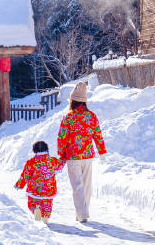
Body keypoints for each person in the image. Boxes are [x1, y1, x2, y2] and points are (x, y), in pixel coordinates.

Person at [57, 82, 107, 223]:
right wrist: (102, 152)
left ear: (73, 101)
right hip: (87, 156)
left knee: (77, 186)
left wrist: (61, 154)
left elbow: (61, 137)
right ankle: (83, 213)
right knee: (86, 185)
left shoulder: (69, 117)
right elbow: (98, 135)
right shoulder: (91, 116)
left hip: (73, 156)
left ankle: (82, 214)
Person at [14, 141, 65, 224]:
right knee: (47, 204)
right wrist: (64, 157)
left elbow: (25, 175)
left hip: (34, 190)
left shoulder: (31, 162)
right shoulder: (52, 161)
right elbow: (60, 165)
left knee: (32, 203)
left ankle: (35, 210)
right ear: (47, 149)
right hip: (49, 190)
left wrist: (19, 184)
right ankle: (46, 217)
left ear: (34, 151)